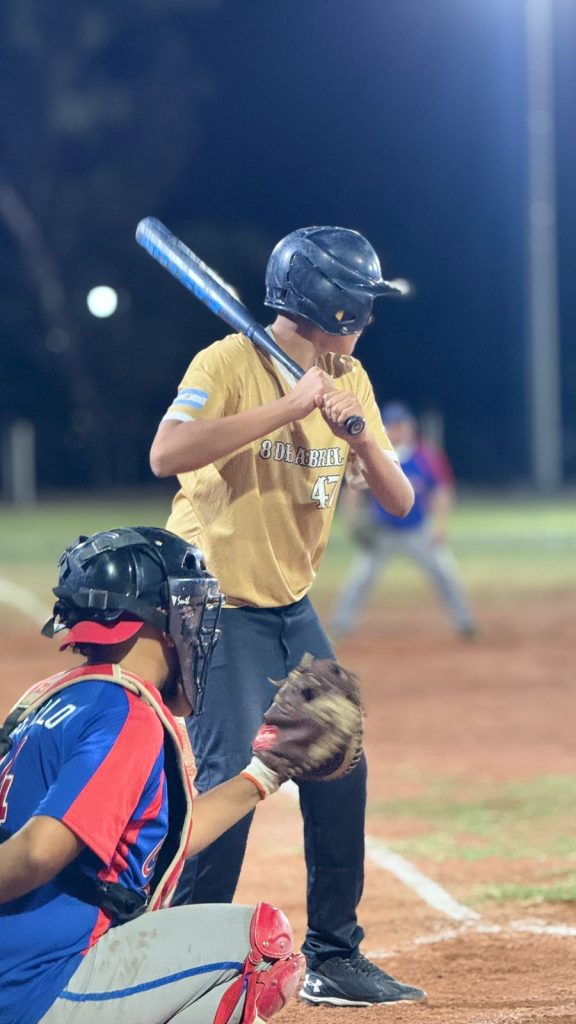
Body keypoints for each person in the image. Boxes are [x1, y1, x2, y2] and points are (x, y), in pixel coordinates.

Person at [149, 226, 426, 1007]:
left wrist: (358, 437)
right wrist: (287, 408)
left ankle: (334, 957)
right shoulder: (226, 363)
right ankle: (177, 970)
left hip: (288, 607)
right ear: (329, 303)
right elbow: (166, 453)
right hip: (214, 606)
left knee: (340, 764)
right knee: (232, 783)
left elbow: (401, 501)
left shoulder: (348, 376)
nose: (369, 317)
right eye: (362, 303)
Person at [0, 526, 305, 1024]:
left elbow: (160, 834)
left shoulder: (54, 701)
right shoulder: (124, 713)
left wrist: (266, 773)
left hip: (15, 968)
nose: (198, 628)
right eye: (189, 610)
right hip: (37, 987)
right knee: (262, 947)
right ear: (156, 622)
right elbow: (38, 851)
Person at [329, 402, 477, 640]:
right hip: (382, 530)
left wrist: (440, 526)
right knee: (360, 579)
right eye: (393, 425)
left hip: (418, 529)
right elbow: (353, 488)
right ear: (384, 428)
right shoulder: (375, 453)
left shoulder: (426, 456)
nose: (398, 430)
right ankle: (340, 625)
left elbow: (441, 491)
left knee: (445, 575)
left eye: (402, 424)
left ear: (410, 426)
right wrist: (352, 520)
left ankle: (465, 623)